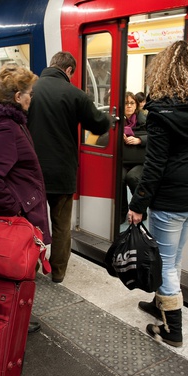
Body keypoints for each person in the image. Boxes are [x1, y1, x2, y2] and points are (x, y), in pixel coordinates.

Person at [127, 40, 188, 348]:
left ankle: (173, 330)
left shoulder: (160, 111)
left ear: (164, 71)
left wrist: (138, 204)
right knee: (174, 257)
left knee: (165, 262)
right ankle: (160, 304)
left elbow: (154, 165)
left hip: (171, 197)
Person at [0, 63, 51, 334]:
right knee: (17, 268)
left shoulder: (8, 122)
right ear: (18, 96)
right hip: (20, 214)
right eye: (29, 92)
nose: (32, 97)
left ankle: (12, 315)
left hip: (22, 208)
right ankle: (10, 320)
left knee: (15, 268)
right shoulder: (7, 127)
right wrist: (14, 207)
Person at [28, 51, 110, 283]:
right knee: (62, 225)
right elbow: (98, 124)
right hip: (62, 173)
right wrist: (110, 120)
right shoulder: (76, 94)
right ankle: (57, 272)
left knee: (32, 223)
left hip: (32, 173)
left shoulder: (30, 90)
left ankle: (29, 267)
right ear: (69, 70)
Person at [119, 91, 147, 226]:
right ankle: (121, 212)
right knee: (119, 178)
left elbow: (155, 137)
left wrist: (139, 140)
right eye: (125, 103)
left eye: (131, 103)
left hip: (141, 160)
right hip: (124, 159)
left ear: (136, 105)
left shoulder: (145, 120)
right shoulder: (117, 121)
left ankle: (140, 209)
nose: (129, 106)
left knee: (132, 177)